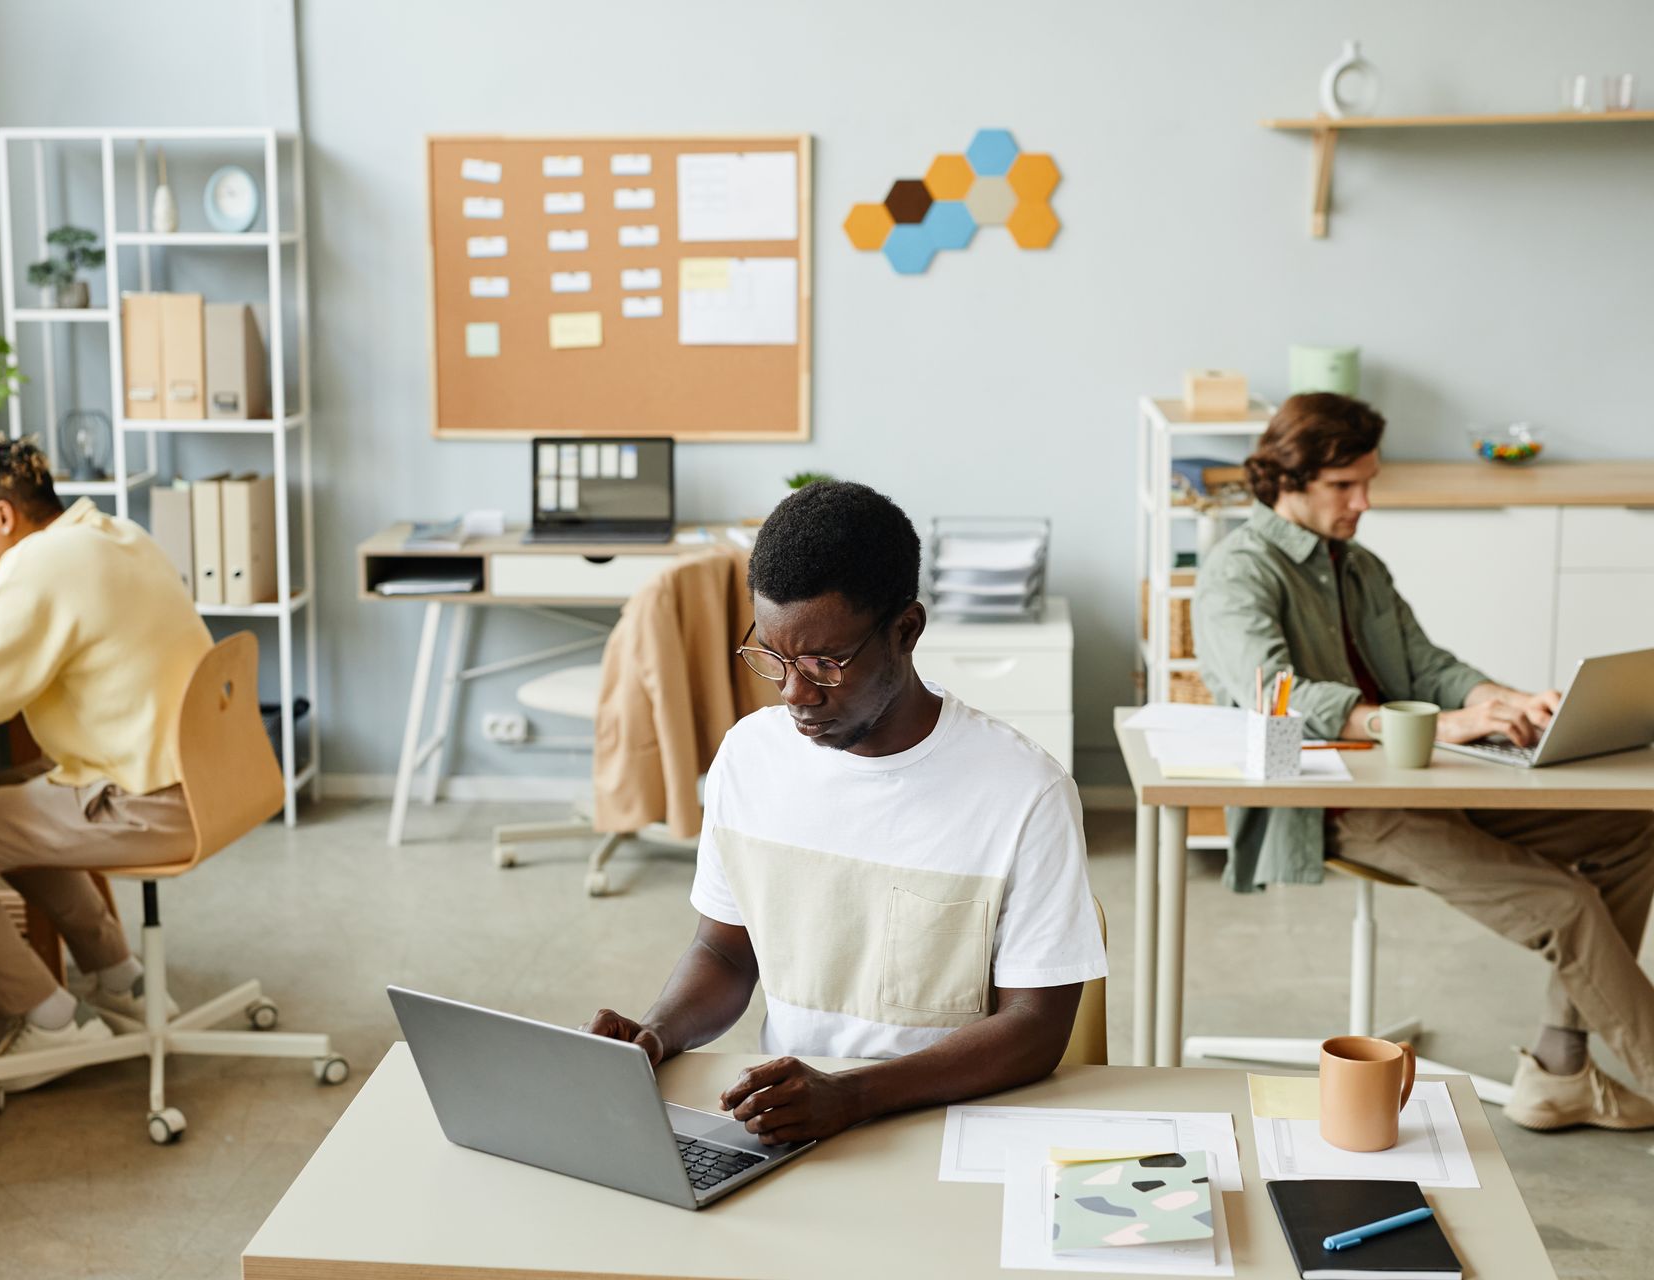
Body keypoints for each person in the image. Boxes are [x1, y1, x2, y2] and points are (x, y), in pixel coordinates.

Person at [583, 481, 1105, 1145]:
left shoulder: (1024, 793)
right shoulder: (748, 760)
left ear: (905, 632)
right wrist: (657, 1034)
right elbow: (724, 950)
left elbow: (1036, 1027)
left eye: (824, 663)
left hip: (946, 1123)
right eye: (773, 657)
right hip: (796, 1122)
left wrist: (855, 1095)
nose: (796, 693)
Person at [1193, 392, 1654, 1131]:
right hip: (1337, 800)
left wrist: (1503, 703)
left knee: (1631, 832)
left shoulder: (1360, 567)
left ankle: (1560, 1070)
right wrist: (1436, 723)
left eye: (1368, 482)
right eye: (1345, 486)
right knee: (1564, 907)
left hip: (1430, 772)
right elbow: (1272, 695)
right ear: (1285, 479)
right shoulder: (1236, 573)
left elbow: (1427, 664)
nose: (1364, 502)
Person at [0, 434, 212, 1091]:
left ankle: (51, 1022)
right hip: (200, 780)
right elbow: (45, 636)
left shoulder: (39, 565)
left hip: (147, 805)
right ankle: (121, 979)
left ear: (2, 517)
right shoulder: (109, 534)